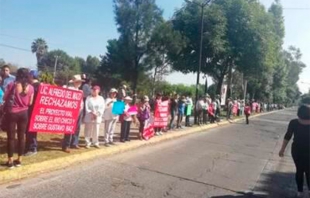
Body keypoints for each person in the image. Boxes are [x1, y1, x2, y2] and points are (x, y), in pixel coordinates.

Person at [4, 68, 34, 168]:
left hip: (12, 113)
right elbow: (30, 103)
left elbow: (4, 98)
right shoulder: (31, 87)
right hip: (24, 113)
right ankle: (19, 160)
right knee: (22, 137)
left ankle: (10, 160)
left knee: (11, 138)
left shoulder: (12, 85)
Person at [279, 105, 310, 198]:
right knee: (309, 171)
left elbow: (287, 136)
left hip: (297, 150)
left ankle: (300, 192)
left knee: (299, 170)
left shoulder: (293, 123)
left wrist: (282, 149)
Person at [62, 75, 84, 153]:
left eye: (80, 82)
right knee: (69, 128)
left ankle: (74, 143)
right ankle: (66, 145)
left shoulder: (79, 90)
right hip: (71, 112)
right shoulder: (69, 89)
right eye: (78, 82)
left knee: (77, 128)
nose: (79, 83)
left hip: (79, 110)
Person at [24, 70, 41, 156]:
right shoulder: (41, 86)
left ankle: (32, 148)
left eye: (29, 75)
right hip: (36, 111)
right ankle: (28, 146)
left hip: (32, 110)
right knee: (29, 129)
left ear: (32, 76)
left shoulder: (32, 86)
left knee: (31, 129)